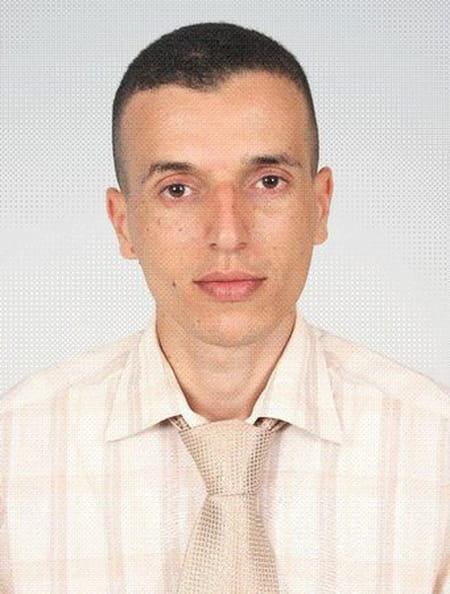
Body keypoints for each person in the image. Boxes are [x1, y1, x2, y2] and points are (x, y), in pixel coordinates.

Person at [0, 22, 448, 593]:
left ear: (320, 205)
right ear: (124, 223)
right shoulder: (13, 453)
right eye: (178, 189)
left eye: (268, 181)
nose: (229, 234)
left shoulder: (437, 447)